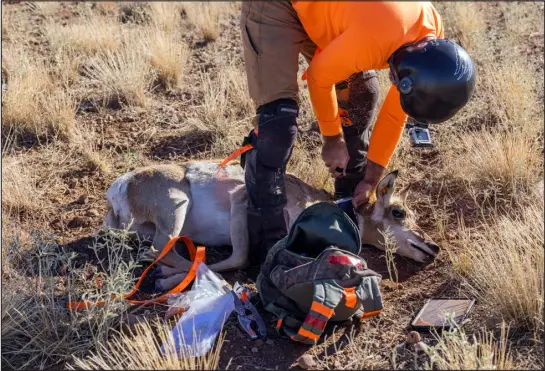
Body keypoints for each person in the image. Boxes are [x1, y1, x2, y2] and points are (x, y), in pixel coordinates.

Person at [239, 1, 475, 265]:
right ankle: (267, 248)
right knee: (278, 124)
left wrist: (373, 177)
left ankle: (349, 202)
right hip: (278, 7)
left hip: (331, 14)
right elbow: (319, 78)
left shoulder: (430, 38)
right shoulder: (375, 38)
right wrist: (333, 139)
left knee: (360, 93)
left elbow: (396, 113)